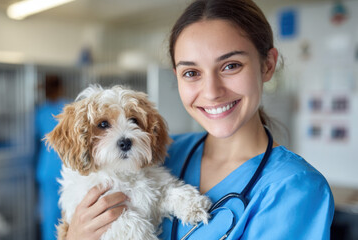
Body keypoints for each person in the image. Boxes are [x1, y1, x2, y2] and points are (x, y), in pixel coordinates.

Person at [65, 0, 335, 239]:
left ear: (267, 65)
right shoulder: (165, 153)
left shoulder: (294, 188)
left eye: (231, 66)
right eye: (192, 72)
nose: (212, 92)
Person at [35, 74, 68, 240]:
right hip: (66, 169)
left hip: (47, 171)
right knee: (68, 215)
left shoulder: (40, 112)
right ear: (61, 88)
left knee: (49, 217)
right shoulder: (68, 109)